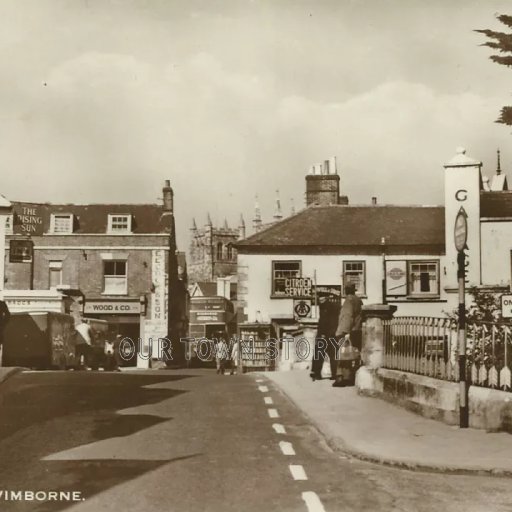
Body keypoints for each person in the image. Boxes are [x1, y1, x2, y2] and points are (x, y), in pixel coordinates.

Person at [332, 283, 363, 387]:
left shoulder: (348, 300)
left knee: (342, 354)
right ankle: (349, 377)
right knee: (351, 354)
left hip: (346, 331)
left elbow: (347, 316)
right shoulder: (358, 300)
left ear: (347, 290)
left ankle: (340, 378)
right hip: (356, 330)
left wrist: (345, 332)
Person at [310, 293, 341, 381]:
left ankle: (316, 373)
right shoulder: (333, 307)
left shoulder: (325, 307)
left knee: (319, 353)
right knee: (333, 355)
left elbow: (324, 321)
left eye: (321, 299)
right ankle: (335, 374)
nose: (320, 301)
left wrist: (322, 334)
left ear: (325, 299)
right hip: (333, 334)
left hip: (326, 334)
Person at [0, 299, 11, 364]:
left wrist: (2, 324)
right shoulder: (2, 303)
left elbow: (8, 315)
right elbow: (8, 315)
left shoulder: (1, 304)